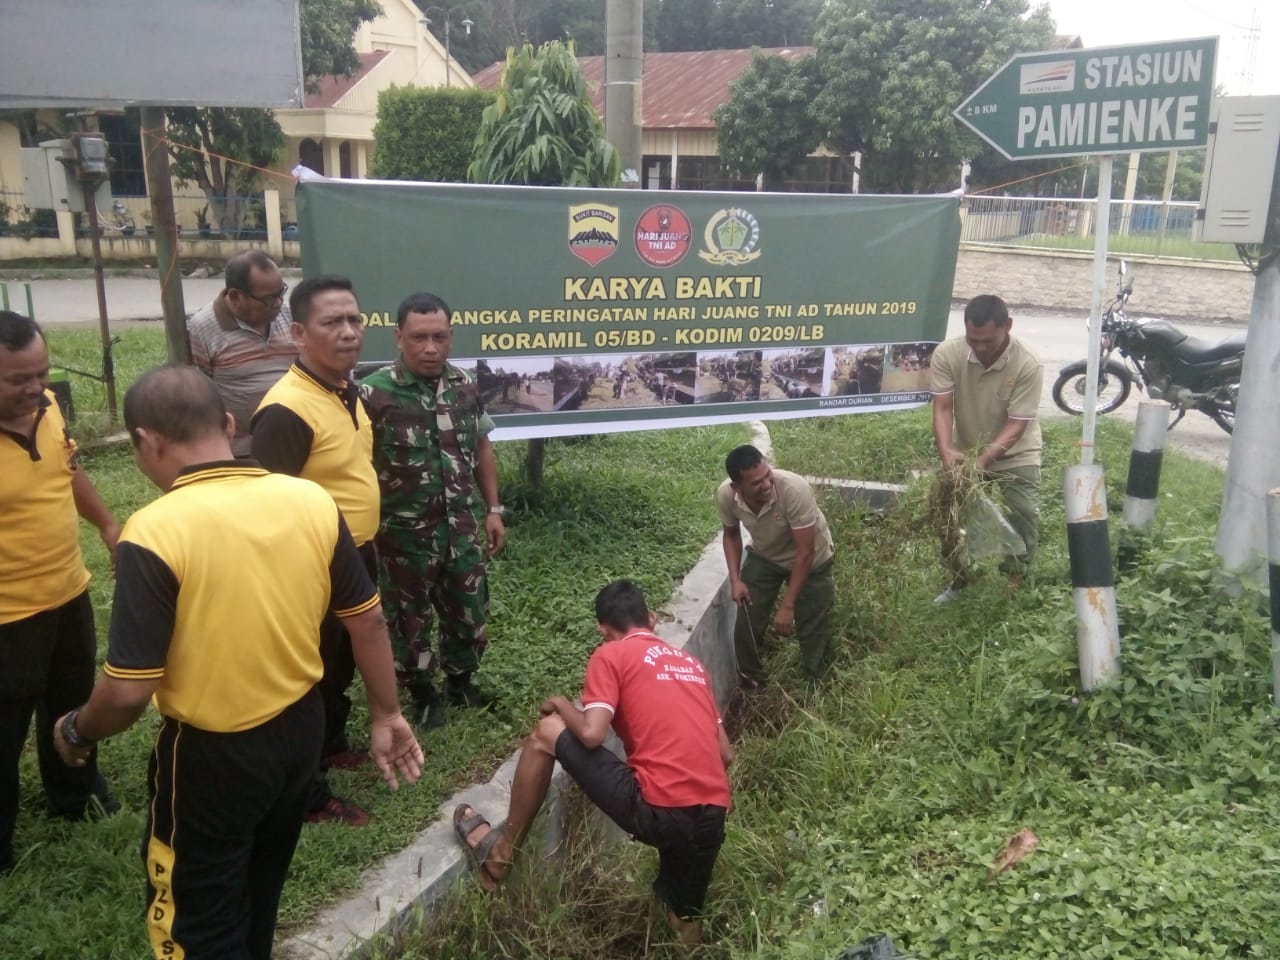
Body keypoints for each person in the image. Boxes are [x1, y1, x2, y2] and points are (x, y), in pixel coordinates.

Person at [52, 365, 422, 960]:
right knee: (260, 884)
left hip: (212, 757)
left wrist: (74, 730)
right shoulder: (312, 500)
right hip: (301, 732)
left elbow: (127, 691)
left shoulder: (154, 530)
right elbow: (367, 621)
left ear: (146, 442)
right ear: (229, 424)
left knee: (196, 915)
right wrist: (386, 715)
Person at [452, 580, 732, 947]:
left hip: (658, 808)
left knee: (547, 733)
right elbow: (725, 754)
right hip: (711, 813)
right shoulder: (693, 667)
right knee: (686, 918)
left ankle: (501, 856)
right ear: (651, 618)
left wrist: (562, 703)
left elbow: (591, 734)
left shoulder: (611, 655)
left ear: (603, 630)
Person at [250, 274, 380, 825]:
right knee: (313, 672)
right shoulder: (286, 410)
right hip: (312, 566)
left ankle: (331, 743)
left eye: (355, 319)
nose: (349, 332)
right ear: (299, 332)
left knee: (342, 663)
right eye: (333, 323)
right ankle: (308, 793)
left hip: (357, 554)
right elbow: (267, 501)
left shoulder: (346, 391)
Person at [0, 311, 118, 876]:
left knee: (71, 695)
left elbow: (67, 470)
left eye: (40, 373)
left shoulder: (45, 407)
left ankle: (73, 791)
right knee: (5, 720)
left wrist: (106, 525)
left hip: (68, 587)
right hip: (6, 613)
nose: (33, 389)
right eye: (16, 379)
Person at [359, 292, 505, 730]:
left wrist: (493, 508)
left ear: (451, 337)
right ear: (398, 336)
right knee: (408, 619)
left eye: (439, 337)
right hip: (403, 536)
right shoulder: (373, 393)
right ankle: (423, 694)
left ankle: (461, 683)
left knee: (468, 608)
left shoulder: (463, 385)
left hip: (459, 529)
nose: (429, 348)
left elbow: (481, 447)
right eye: (418, 337)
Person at [930, 294, 1043, 603]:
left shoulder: (1028, 363)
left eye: (987, 341)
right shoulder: (948, 354)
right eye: (973, 340)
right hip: (966, 450)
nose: (979, 348)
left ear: (1008, 326)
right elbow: (942, 409)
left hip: (1016, 452)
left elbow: (1016, 425)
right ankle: (961, 578)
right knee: (951, 516)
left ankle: (1015, 579)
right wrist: (947, 450)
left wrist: (984, 460)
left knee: (1023, 513)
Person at [717, 444, 835, 687]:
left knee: (812, 622)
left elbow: (805, 552)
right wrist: (735, 580)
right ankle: (752, 680)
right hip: (767, 555)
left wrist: (787, 606)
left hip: (811, 559)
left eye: (767, 475)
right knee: (747, 615)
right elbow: (731, 535)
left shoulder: (793, 489)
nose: (767, 484)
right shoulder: (726, 496)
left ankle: (816, 682)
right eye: (756, 483)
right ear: (736, 487)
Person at [187, 250, 297, 456]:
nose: (279, 303)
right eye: (269, 298)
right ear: (236, 296)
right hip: (240, 450)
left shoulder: (289, 315)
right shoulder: (203, 328)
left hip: (291, 438)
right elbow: (199, 393)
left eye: (281, 292)